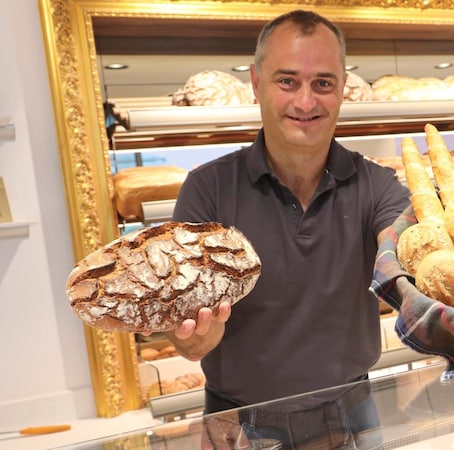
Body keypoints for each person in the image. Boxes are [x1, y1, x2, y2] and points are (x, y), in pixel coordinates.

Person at [166, 9, 410, 449]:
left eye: (323, 83)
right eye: (287, 81)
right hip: (237, 421)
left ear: (341, 90)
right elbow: (187, 340)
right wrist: (195, 339)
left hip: (351, 412)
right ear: (257, 83)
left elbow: (406, 257)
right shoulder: (208, 189)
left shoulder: (378, 185)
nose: (305, 102)